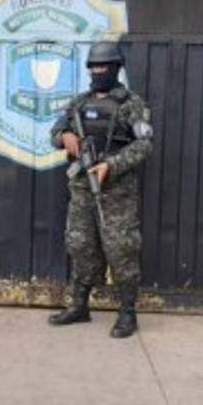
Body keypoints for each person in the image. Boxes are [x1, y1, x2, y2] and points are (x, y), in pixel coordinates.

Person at [47, 41, 154, 339]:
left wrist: (111, 165)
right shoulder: (79, 104)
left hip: (117, 193)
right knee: (80, 245)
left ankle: (128, 313)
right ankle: (79, 305)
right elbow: (54, 133)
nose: (97, 72)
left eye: (103, 67)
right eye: (93, 67)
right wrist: (65, 136)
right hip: (82, 189)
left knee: (121, 250)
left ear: (116, 68)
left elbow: (144, 145)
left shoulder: (131, 104)